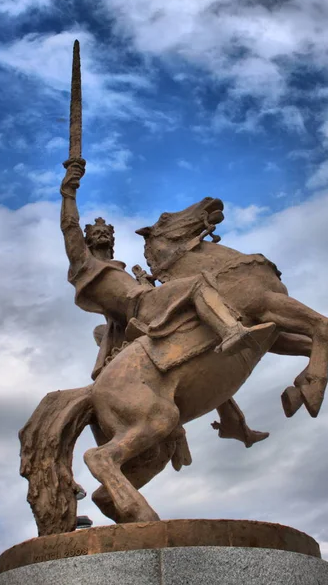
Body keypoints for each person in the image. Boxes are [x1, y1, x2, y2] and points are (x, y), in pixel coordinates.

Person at [61, 157, 270, 447]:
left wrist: (145, 282)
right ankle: (232, 331)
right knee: (199, 285)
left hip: (144, 303)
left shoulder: (120, 268)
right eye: (95, 233)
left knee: (200, 341)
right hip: (141, 307)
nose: (102, 235)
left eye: (107, 233)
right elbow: (70, 226)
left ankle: (234, 423)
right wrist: (69, 192)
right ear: (85, 241)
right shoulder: (84, 265)